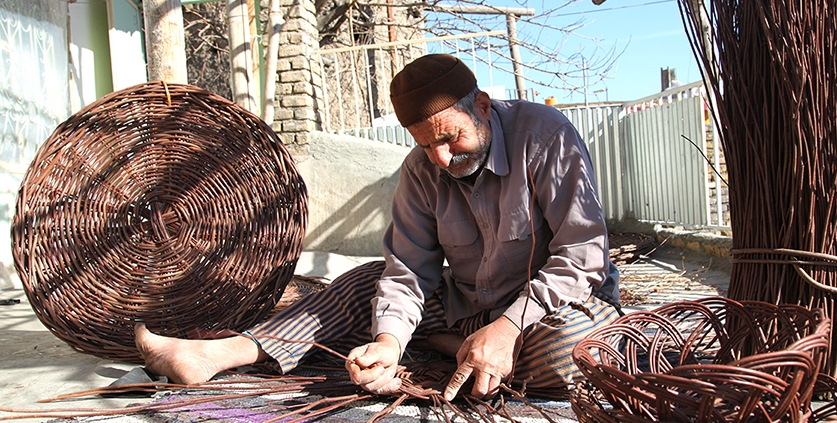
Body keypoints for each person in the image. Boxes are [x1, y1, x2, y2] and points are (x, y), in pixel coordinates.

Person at [135, 53, 621, 402]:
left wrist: (509, 326)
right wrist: (389, 343)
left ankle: (457, 350)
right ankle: (216, 355)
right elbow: (409, 269)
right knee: (363, 283)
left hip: (549, 310)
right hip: (466, 306)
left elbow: (584, 255)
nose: (441, 159)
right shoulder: (422, 168)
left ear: (484, 107)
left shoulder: (545, 137)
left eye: (450, 139)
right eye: (426, 146)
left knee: (574, 354)